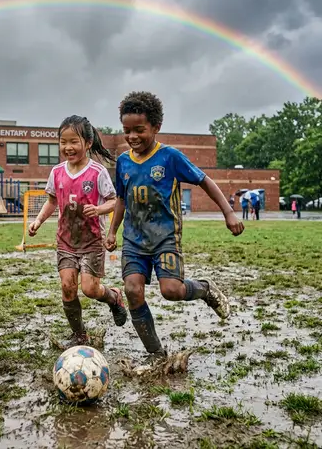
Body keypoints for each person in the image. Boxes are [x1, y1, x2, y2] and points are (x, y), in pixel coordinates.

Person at [105, 91, 244, 361]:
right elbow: (122, 198)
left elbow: (204, 180)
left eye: (139, 130)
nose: (132, 137)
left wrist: (228, 213)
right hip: (134, 241)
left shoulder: (170, 157)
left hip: (165, 238)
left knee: (171, 291)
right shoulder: (122, 162)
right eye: (126, 131)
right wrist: (112, 230)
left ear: (156, 127)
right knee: (133, 290)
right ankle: (156, 354)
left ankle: (204, 288)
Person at [28, 115, 127, 349]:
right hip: (65, 241)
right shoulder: (57, 172)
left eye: (74, 142)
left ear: (88, 143)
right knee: (67, 287)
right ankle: (79, 334)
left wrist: (99, 208)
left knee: (90, 289)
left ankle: (114, 297)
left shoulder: (97, 172)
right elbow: (52, 201)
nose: (68, 147)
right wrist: (38, 221)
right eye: (63, 142)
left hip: (92, 240)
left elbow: (116, 201)